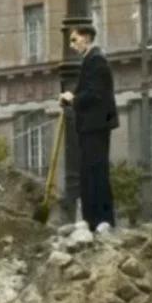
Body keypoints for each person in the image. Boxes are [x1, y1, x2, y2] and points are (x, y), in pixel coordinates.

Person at [60, 24, 119, 231]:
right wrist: (72, 99)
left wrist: (72, 98)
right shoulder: (91, 60)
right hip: (91, 125)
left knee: (96, 171)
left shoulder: (96, 60)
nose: (72, 44)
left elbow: (94, 93)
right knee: (88, 170)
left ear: (86, 38)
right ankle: (91, 219)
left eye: (75, 39)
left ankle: (103, 219)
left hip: (96, 125)